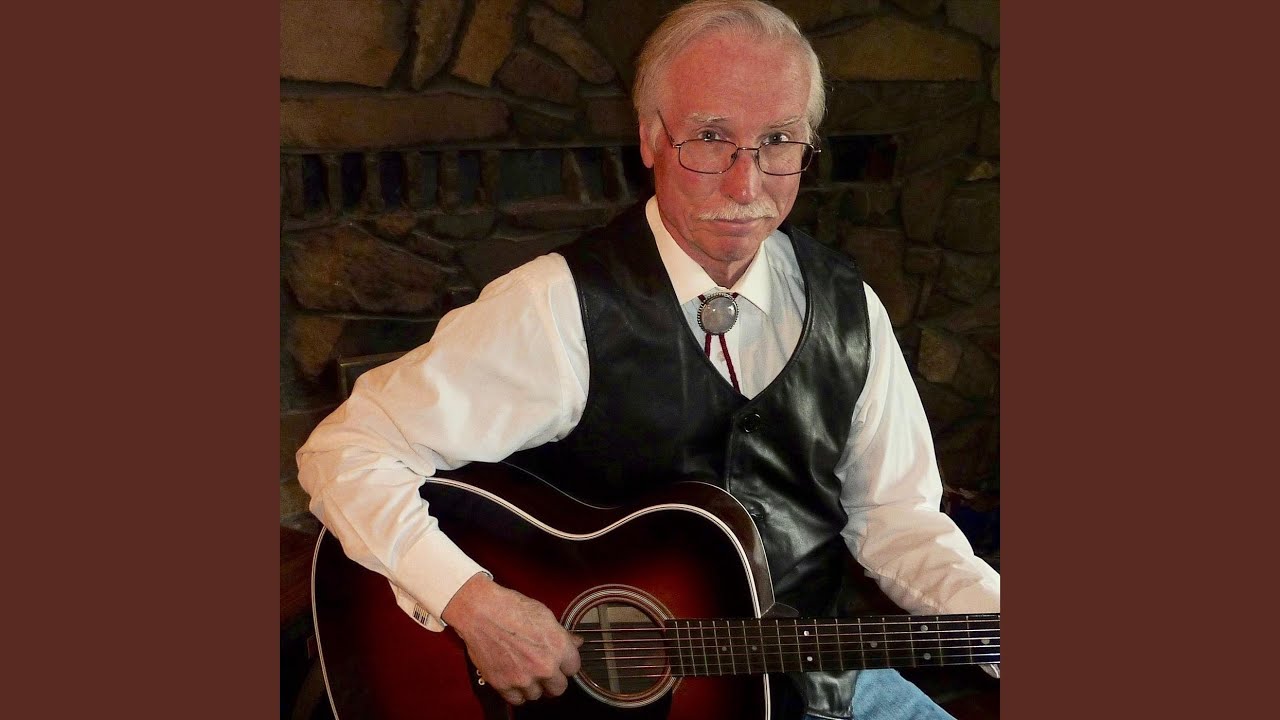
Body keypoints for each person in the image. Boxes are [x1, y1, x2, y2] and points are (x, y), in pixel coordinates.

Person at [296, 1, 1000, 718]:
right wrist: (472, 602)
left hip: (824, 684)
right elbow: (348, 451)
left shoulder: (850, 312)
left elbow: (898, 520)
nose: (746, 186)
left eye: (778, 140)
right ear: (650, 138)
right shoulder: (560, 307)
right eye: (711, 138)